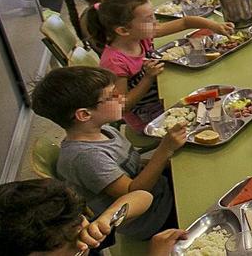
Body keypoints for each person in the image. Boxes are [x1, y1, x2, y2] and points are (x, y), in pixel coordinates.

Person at [31, 66, 188, 241]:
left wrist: (167, 161)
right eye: (111, 96)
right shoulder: (87, 158)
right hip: (153, 218)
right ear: (84, 114)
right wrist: (164, 150)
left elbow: (132, 164)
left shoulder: (102, 129)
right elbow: (134, 192)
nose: (121, 98)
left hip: (158, 191)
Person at [86, 0, 232, 133]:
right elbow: (121, 106)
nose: (155, 22)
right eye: (149, 19)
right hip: (148, 116)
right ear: (123, 30)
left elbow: (185, 22)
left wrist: (215, 26)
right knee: (214, 109)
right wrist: (148, 78)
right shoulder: (114, 62)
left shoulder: (140, 35)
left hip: (161, 95)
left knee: (216, 91)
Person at [0, 178, 184, 256]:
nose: (85, 229)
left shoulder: (76, 239)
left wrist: (107, 218)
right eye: (74, 235)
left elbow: (142, 197)